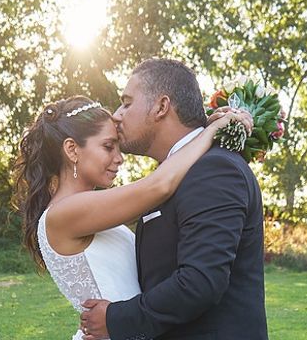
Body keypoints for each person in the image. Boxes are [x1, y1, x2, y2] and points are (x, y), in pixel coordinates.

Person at [13, 94, 252, 340]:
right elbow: (159, 186)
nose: (119, 158)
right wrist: (209, 132)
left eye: (118, 145)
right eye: (108, 146)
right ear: (72, 149)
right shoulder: (64, 213)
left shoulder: (90, 209)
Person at [80, 59, 269, 340]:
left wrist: (116, 320)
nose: (117, 115)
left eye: (127, 103)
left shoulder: (214, 168)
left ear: (161, 106)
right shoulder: (172, 175)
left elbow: (200, 283)